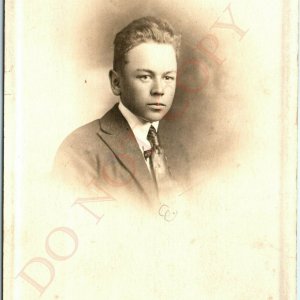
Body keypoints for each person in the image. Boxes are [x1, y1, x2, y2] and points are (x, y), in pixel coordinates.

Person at [53, 16, 190, 208]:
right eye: (145, 76)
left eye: (168, 77)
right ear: (116, 83)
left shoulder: (178, 152)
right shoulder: (80, 151)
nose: (159, 89)